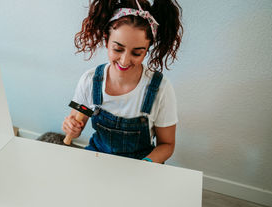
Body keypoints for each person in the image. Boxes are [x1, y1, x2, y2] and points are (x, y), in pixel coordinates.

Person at [62, 0, 183, 163]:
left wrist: (143, 166)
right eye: (118, 49)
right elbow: (78, 116)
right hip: (98, 156)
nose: (125, 61)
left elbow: (167, 145)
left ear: (147, 49)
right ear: (106, 40)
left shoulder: (161, 89)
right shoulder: (90, 80)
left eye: (137, 53)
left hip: (141, 163)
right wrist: (71, 127)